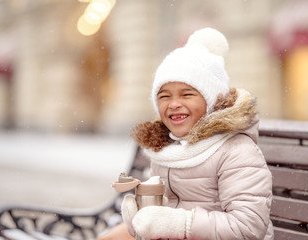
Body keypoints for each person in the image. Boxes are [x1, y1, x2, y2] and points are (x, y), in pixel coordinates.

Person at [98, 27, 274, 240]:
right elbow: (162, 218)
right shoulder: (167, 148)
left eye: (187, 94)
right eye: (164, 96)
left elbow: (247, 228)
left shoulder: (236, 151)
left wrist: (182, 223)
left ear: (211, 100)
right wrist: (140, 219)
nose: (174, 104)